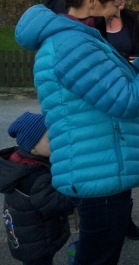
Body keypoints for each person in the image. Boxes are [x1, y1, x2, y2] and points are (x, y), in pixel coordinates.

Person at [15, 0, 139, 265]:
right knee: (98, 259)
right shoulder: (71, 44)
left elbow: (118, 85)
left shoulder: (80, 38)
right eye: (115, 4)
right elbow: (127, 101)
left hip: (100, 167)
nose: (118, 12)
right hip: (98, 172)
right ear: (91, 0)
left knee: (96, 255)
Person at [1, 112, 75, 265]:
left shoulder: (21, 165)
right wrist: (77, 193)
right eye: (50, 139)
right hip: (37, 243)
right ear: (33, 149)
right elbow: (56, 204)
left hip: (25, 236)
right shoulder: (35, 176)